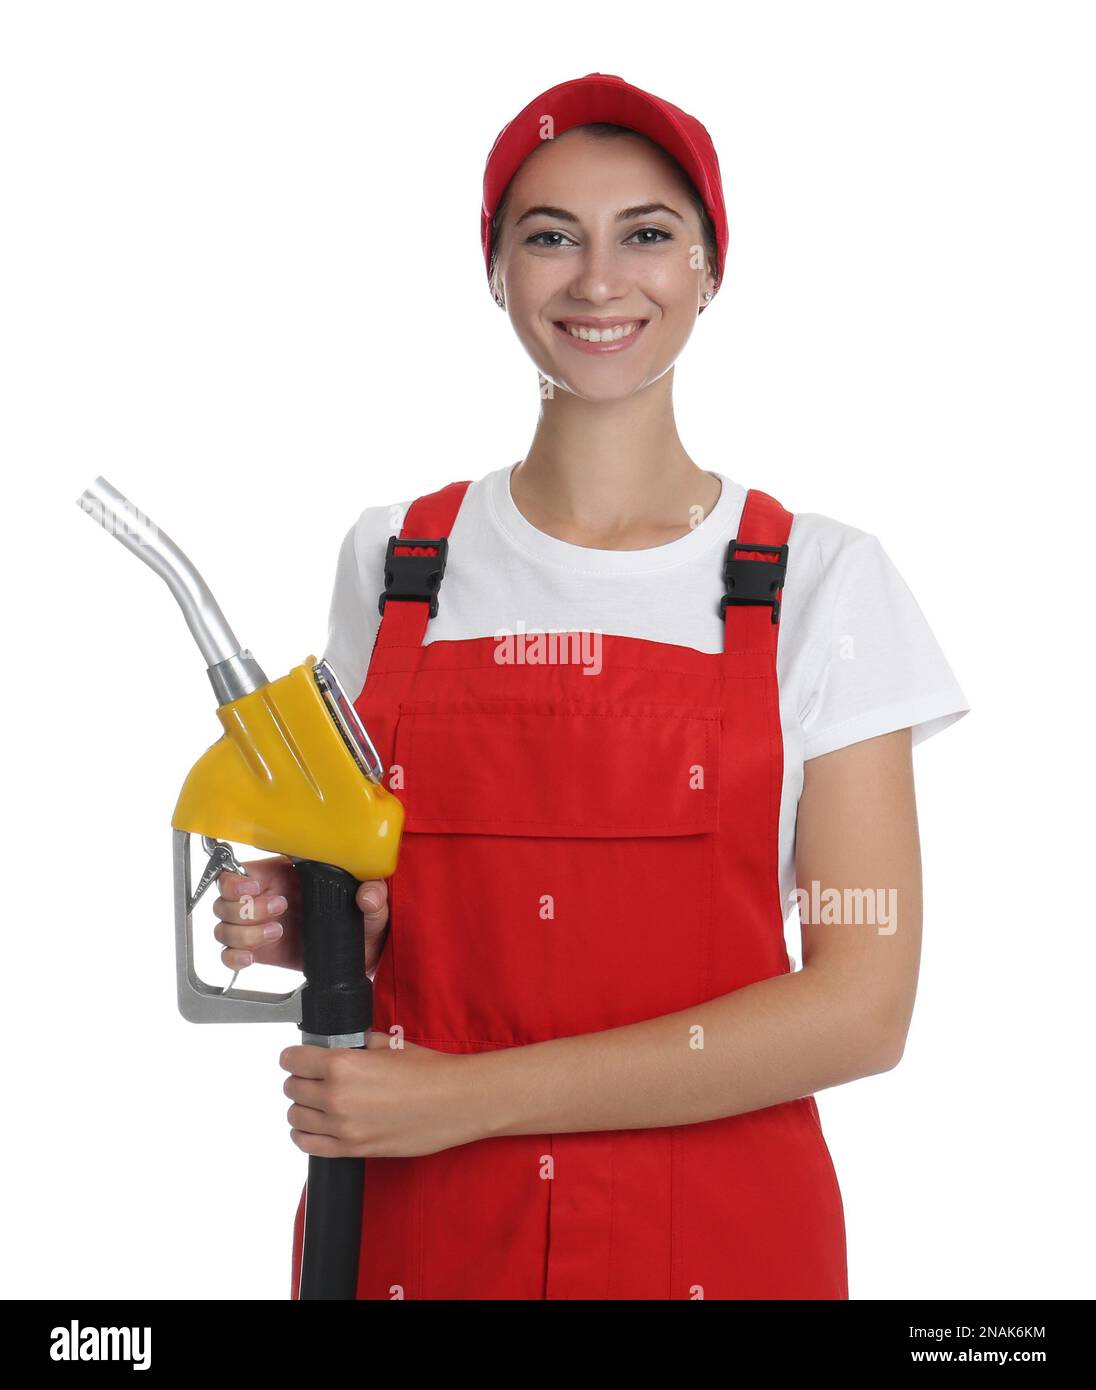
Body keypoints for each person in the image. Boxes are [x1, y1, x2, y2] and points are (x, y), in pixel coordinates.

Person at [213, 72, 970, 1300]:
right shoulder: (399, 565)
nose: (599, 279)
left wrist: (467, 1099)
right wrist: (317, 925)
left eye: (649, 235)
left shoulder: (819, 584)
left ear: (710, 269)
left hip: (715, 1246)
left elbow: (859, 1007)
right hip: (416, 1235)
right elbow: (403, 898)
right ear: (496, 270)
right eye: (549, 236)